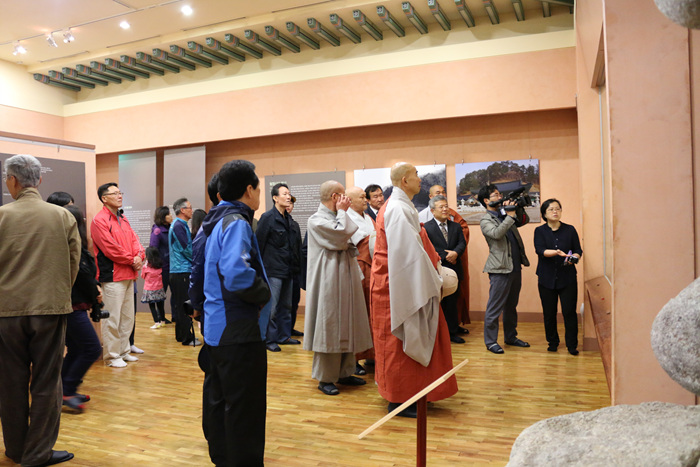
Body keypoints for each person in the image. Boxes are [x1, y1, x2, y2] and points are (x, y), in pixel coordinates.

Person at [0, 154, 80, 466]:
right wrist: (58, 294)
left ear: (12, 181)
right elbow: (73, 264)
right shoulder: (62, 217)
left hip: (6, 312)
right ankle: (38, 453)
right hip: (49, 309)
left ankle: (17, 449)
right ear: (40, 181)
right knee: (47, 381)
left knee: (10, 382)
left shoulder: (2, 217)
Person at [370, 162, 457, 418]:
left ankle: (418, 393)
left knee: (417, 338)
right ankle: (399, 400)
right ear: (405, 181)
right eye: (416, 175)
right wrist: (433, 280)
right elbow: (407, 255)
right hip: (397, 287)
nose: (421, 179)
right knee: (398, 344)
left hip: (404, 282)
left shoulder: (400, 205)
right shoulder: (397, 207)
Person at [199, 160, 270, 466]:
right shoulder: (236, 222)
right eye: (258, 188)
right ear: (248, 190)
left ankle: (223, 456)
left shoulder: (214, 221)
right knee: (245, 406)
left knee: (219, 399)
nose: (259, 195)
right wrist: (264, 293)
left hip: (216, 327)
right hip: (237, 329)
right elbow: (235, 272)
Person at [304, 181, 373, 396]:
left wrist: (342, 213)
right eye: (344, 196)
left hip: (345, 276)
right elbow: (341, 235)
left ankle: (345, 371)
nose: (348, 200)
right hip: (329, 279)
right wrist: (343, 212)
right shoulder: (316, 220)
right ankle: (326, 378)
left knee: (348, 323)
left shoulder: (338, 216)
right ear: (335, 197)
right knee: (330, 326)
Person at [91, 182, 145, 367]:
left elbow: (135, 240)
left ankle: (124, 350)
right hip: (113, 276)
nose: (119, 196)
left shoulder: (123, 218)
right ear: (104, 198)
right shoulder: (99, 220)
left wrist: (139, 256)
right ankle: (112, 356)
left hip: (129, 273)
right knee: (112, 318)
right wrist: (132, 259)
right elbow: (109, 248)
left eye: (120, 192)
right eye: (115, 193)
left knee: (127, 316)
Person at [60, 204, 103, 414]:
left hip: (71, 304)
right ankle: (67, 390)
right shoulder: (70, 245)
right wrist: (95, 292)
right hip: (71, 306)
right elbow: (82, 275)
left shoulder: (68, 244)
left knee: (77, 348)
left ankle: (64, 389)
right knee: (92, 348)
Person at [478, 184, 531, 354]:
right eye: (495, 195)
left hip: (515, 266)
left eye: (499, 193)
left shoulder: (504, 213)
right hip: (500, 268)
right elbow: (496, 234)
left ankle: (510, 337)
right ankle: (490, 341)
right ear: (486, 200)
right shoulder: (486, 219)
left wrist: (518, 207)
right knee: (495, 307)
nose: (499, 197)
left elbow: (524, 221)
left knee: (511, 306)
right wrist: (509, 216)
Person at [418, 184, 471, 331]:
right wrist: (446, 255)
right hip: (438, 268)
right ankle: (444, 331)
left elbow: (462, 242)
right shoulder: (426, 227)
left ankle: (454, 327)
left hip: (455, 266)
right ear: (432, 211)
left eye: (446, 206)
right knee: (442, 302)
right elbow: (429, 247)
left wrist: (456, 253)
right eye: (441, 207)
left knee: (455, 300)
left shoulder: (455, 226)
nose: (445, 210)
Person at [534, 198, 583, 355]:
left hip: (567, 278)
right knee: (549, 312)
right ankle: (553, 342)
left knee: (569, 312)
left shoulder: (570, 229)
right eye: (551, 209)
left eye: (558, 209)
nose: (555, 211)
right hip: (546, 278)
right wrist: (557, 252)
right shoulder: (539, 231)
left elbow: (577, 250)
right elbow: (540, 250)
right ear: (544, 214)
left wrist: (573, 258)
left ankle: (572, 345)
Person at [256, 183, 301, 352]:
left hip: (287, 270)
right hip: (273, 270)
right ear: (275, 198)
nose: (288, 196)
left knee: (286, 306)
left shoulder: (289, 220)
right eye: (284, 194)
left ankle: (283, 336)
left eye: (289, 193)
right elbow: (258, 244)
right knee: (272, 308)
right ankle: (269, 339)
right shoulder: (268, 218)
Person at [345, 186, 376, 375]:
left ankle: (371, 354)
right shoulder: (346, 217)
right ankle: (354, 359)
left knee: (371, 313)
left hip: (373, 268)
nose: (366, 200)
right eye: (362, 197)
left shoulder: (368, 217)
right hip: (359, 268)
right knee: (358, 314)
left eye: (366, 197)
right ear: (350, 200)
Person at [169, 197, 200, 346]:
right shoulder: (179, 226)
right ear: (182, 210)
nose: (191, 210)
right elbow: (186, 249)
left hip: (180, 270)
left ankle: (182, 335)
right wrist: (198, 259)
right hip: (181, 271)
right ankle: (186, 337)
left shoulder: (180, 225)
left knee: (181, 304)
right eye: (189, 207)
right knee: (184, 305)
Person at [150, 206, 172, 323]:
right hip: (162, 268)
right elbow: (153, 249)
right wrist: (157, 266)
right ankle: (161, 317)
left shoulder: (171, 228)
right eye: (168, 214)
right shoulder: (157, 230)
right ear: (163, 217)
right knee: (160, 294)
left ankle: (175, 316)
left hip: (172, 267)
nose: (171, 216)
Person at [285, 196, 304, 337]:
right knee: (281, 304)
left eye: (291, 203)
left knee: (293, 301)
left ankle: (290, 328)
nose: (289, 205)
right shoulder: (271, 220)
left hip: (295, 270)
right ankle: (280, 332)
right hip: (281, 270)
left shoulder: (294, 224)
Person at [141, 247, 168, 329]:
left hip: (150, 289)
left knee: (152, 306)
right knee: (160, 305)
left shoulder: (146, 267)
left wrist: (145, 265)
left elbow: (143, 276)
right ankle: (163, 321)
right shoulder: (159, 265)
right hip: (159, 288)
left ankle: (156, 322)